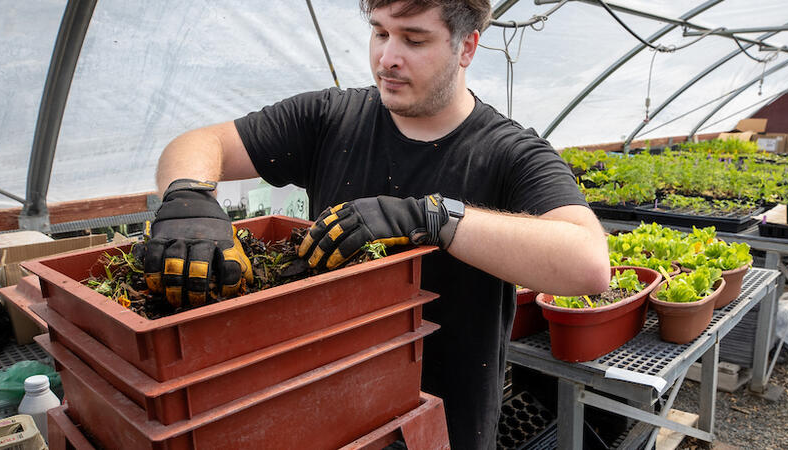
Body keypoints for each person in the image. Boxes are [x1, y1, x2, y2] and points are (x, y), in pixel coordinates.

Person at [141, 0, 610, 447]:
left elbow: (586, 264)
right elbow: (201, 142)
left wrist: (431, 215)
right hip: (328, 407)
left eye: (414, 40)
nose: (387, 58)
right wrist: (189, 195)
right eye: (380, 32)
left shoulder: (510, 153)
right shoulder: (330, 119)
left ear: (466, 47)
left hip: (444, 421)